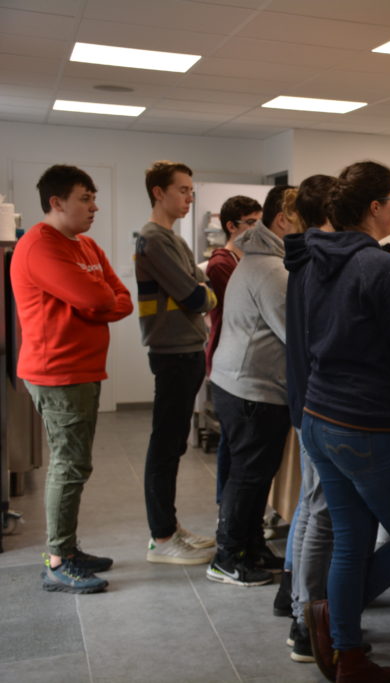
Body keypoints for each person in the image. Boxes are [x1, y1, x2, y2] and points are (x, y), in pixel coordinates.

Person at [295, 162, 390, 682]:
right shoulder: (383, 269)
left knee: (353, 540)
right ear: (376, 207)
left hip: (320, 416)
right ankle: (334, 618)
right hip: (368, 426)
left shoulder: (314, 260)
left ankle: (347, 652)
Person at [11, 165, 133, 593]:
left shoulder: (85, 245)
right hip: (57, 371)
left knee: (76, 463)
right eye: (85, 198)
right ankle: (58, 560)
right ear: (56, 202)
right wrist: (94, 298)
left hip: (82, 368)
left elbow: (121, 300)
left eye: (94, 197)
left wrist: (96, 299)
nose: (94, 206)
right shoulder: (39, 246)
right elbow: (95, 296)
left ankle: (69, 547)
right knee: (70, 464)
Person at [206, 198, 295, 586]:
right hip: (251, 389)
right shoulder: (271, 269)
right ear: (284, 220)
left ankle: (251, 545)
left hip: (244, 384)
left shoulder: (258, 258)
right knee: (248, 475)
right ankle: (227, 556)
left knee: (256, 475)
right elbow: (294, 333)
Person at [135, 160, 218, 565]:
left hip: (186, 349)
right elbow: (197, 297)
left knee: (171, 444)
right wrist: (203, 290)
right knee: (165, 446)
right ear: (158, 192)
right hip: (173, 352)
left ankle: (168, 528)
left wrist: (202, 288)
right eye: (182, 190)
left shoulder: (173, 238)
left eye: (191, 190)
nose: (189, 197)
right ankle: (162, 537)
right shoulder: (153, 239)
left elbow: (200, 287)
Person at [281, 174, 340, 667]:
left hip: (305, 397)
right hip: (315, 401)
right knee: (319, 508)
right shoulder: (315, 263)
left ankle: (296, 599)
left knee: (310, 502)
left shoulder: (301, 256)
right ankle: (305, 622)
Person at [205, 194, 262, 507]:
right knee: (231, 440)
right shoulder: (221, 264)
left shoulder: (246, 261)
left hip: (244, 360)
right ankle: (225, 508)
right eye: (250, 223)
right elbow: (247, 308)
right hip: (227, 360)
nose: (257, 230)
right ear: (231, 226)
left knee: (238, 441)